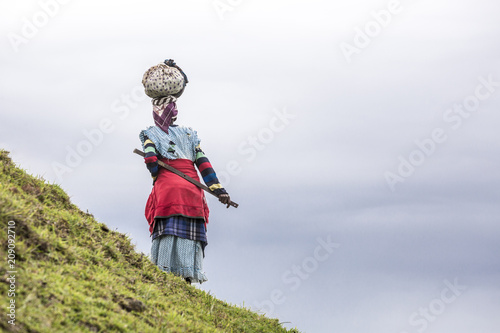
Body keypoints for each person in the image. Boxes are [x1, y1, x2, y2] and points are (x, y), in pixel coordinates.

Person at [139, 59, 230, 284]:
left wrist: (155, 172)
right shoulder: (190, 136)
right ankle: (187, 277)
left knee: (168, 231)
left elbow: (150, 158)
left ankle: (163, 274)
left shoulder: (150, 134)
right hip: (192, 190)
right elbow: (205, 164)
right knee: (190, 235)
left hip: (168, 191)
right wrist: (219, 190)